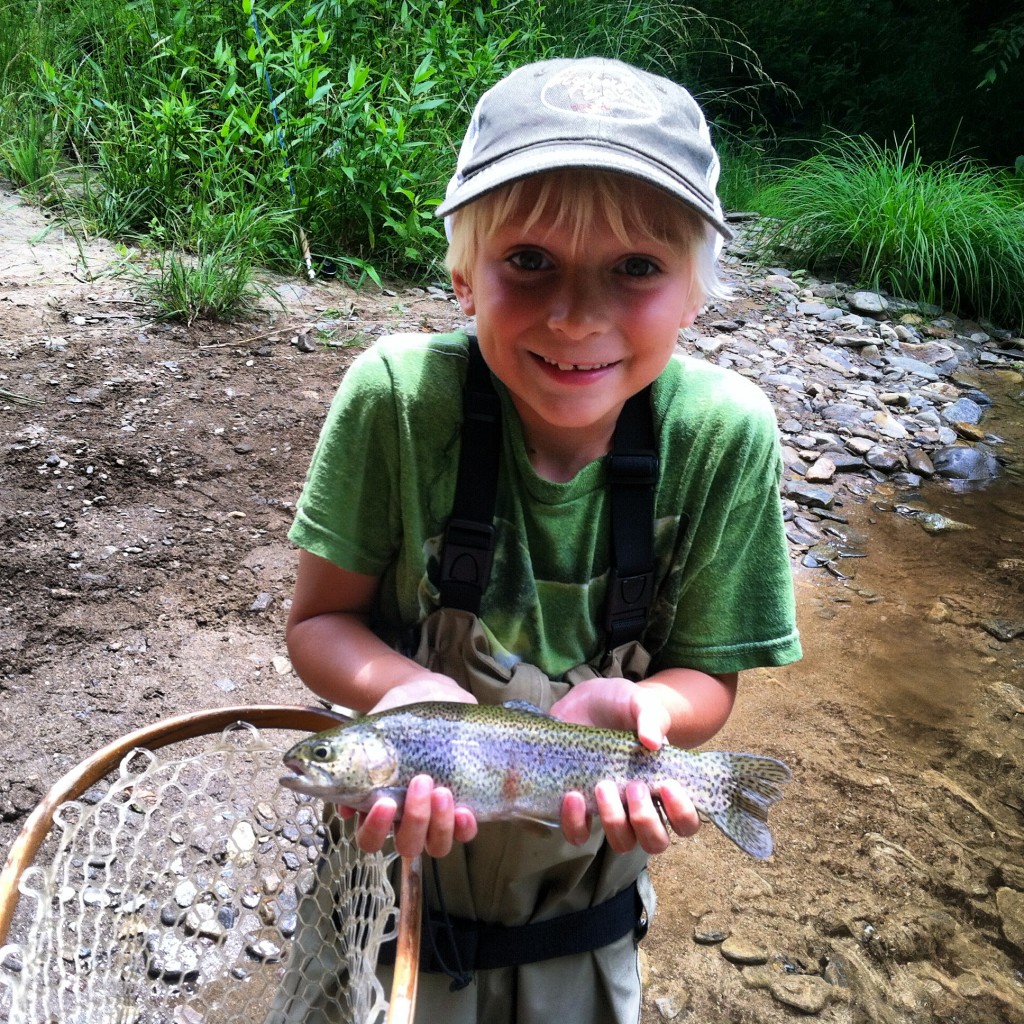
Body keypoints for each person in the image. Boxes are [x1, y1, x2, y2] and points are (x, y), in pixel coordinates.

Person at [274, 55, 801, 1024]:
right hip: (391, 899)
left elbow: (706, 683)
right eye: (529, 260)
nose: (575, 313)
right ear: (462, 273)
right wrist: (400, 691)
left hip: (584, 920)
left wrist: (648, 709)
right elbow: (320, 621)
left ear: (696, 290)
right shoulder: (396, 402)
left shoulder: (725, 435)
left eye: (636, 267)